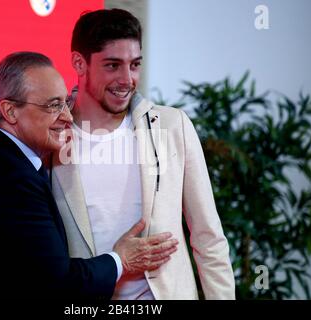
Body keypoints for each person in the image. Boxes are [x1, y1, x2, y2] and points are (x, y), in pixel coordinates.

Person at [0, 51, 178, 299]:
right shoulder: (10, 178)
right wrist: (121, 260)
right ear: (10, 111)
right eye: (53, 105)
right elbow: (58, 284)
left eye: (66, 103)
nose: (68, 117)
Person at [46, 8, 235, 300]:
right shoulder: (51, 137)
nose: (127, 79)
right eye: (112, 65)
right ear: (79, 63)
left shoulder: (173, 126)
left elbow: (208, 237)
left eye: (134, 65)